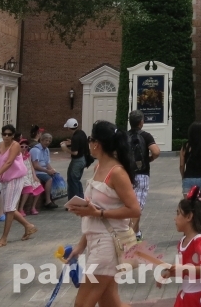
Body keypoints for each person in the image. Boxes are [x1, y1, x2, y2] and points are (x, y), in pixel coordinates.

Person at [67, 120, 142, 307]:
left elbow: (134, 209)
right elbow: (94, 213)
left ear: (96, 143)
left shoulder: (117, 172)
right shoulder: (98, 167)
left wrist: (98, 213)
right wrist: (80, 245)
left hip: (107, 244)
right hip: (96, 240)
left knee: (83, 303)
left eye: (90, 139)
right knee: (110, 303)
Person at [0, 123, 38, 247]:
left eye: (9, 134)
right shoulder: (0, 146)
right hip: (5, 179)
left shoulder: (15, 146)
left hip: (15, 178)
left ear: (13, 136)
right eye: (4, 134)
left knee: (8, 208)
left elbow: (9, 162)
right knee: (10, 208)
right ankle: (29, 226)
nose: (6, 137)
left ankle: (4, 238)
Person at [127, 109, 160, 238]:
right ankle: (129, 237)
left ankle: (137, 233)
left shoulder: (124, 136)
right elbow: (156, 151)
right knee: (137, 208)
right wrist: (149, 159)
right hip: (142, 174)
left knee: (130, 205)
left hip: (126, 174)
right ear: (141, 122)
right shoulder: (146, 136)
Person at [180, 121, 201, 197]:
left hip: (188, 178)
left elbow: (182, 165)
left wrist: (183, 176)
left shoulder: (185, 147)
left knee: (188, 205)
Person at [29, 132, 59, 209]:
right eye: (46, 140)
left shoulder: (46, 150)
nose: (47, 142)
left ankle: (53, 198)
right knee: (49, 179)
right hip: (36, 172)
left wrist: (52, 170)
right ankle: (47, 201)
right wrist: (47, 171)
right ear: (41, 140)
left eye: (49, 141)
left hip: (43, 170)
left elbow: (47, 163)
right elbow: (35, 166)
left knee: (56, 176)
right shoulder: (36, 150)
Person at [63, 118, 90, 200]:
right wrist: (72, 142)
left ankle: (74, 201)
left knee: (72, 180)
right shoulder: (81, 133)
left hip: (77, 160)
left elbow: (75, 152)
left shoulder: (75, 137)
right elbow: (81, 143)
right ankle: (80, 199)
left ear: (68, 128)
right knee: (76, 180)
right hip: (84, 159)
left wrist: (65, 149)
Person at [18, 138, 46, 215]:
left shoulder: (28, 155)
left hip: (29, 174)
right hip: (22, 175)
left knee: (39, 185)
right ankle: (21, 208)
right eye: (22, 146)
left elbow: (31, 166)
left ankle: (33, 207)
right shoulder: (17, 155)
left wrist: (34, 176)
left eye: (26, 147)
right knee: (28, 186)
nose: (24, 148)